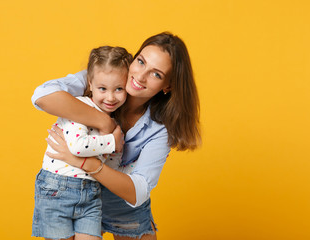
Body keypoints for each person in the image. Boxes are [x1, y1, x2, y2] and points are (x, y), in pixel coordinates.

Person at [32, 32, 201, 240]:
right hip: (74, 193)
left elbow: (138, 191)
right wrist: (105, 122)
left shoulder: (159, 129)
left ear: (168, 86)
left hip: (120, 202)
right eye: (140, 62)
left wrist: (85, 162)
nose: (140, 76)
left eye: (156, 74)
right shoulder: (106, 76)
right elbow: (42, 96)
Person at [32, 46, 133, 240]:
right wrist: (112, 142)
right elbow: (78, 147)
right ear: (90, 84)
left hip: (90, 192)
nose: (110, 97)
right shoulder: (79, 107)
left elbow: (109, 165)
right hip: (57, 189)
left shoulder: (115, 122)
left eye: (118, 89)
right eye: (102, 88)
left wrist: (115, 152)